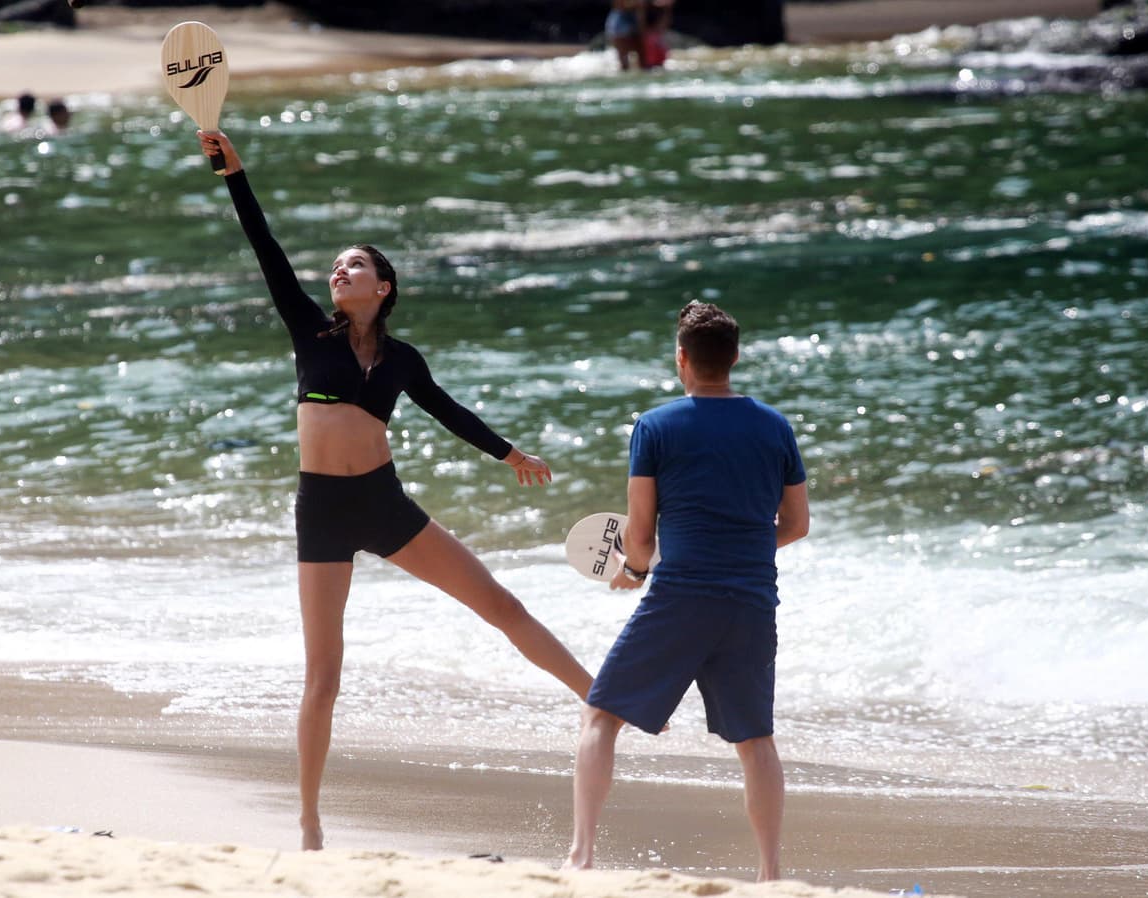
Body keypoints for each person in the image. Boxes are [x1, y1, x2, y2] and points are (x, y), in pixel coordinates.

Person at [196, 130, 594, 851]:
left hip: (384, 505)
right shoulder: (310, 332)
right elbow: (266, 248)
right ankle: (309, 823)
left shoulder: (403, 359)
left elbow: (446, 410)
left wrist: (510, 455)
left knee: (502, 605)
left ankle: (600, 699)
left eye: (356, 265)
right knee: (324, 676)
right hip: (322, 512)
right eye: (337, 265)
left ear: (383, 287)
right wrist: (235, 174)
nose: (340, 270)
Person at [565, 301, 809, 880]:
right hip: (752, 600)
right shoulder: (775, 426)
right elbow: (796, 524)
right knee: (756, 740)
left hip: (680, 597)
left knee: (600, 715)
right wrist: (740, 548)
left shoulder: (655, 426)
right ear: (735, 357)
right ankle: (771, 875)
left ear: (682, 359)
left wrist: (635, 570)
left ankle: (581, 857)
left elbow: (640, 535)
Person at [605, 0, 645, 71]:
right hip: (621, 22)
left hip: (632, 19)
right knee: (623, 56)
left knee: (641, 56)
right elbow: (619, 5)